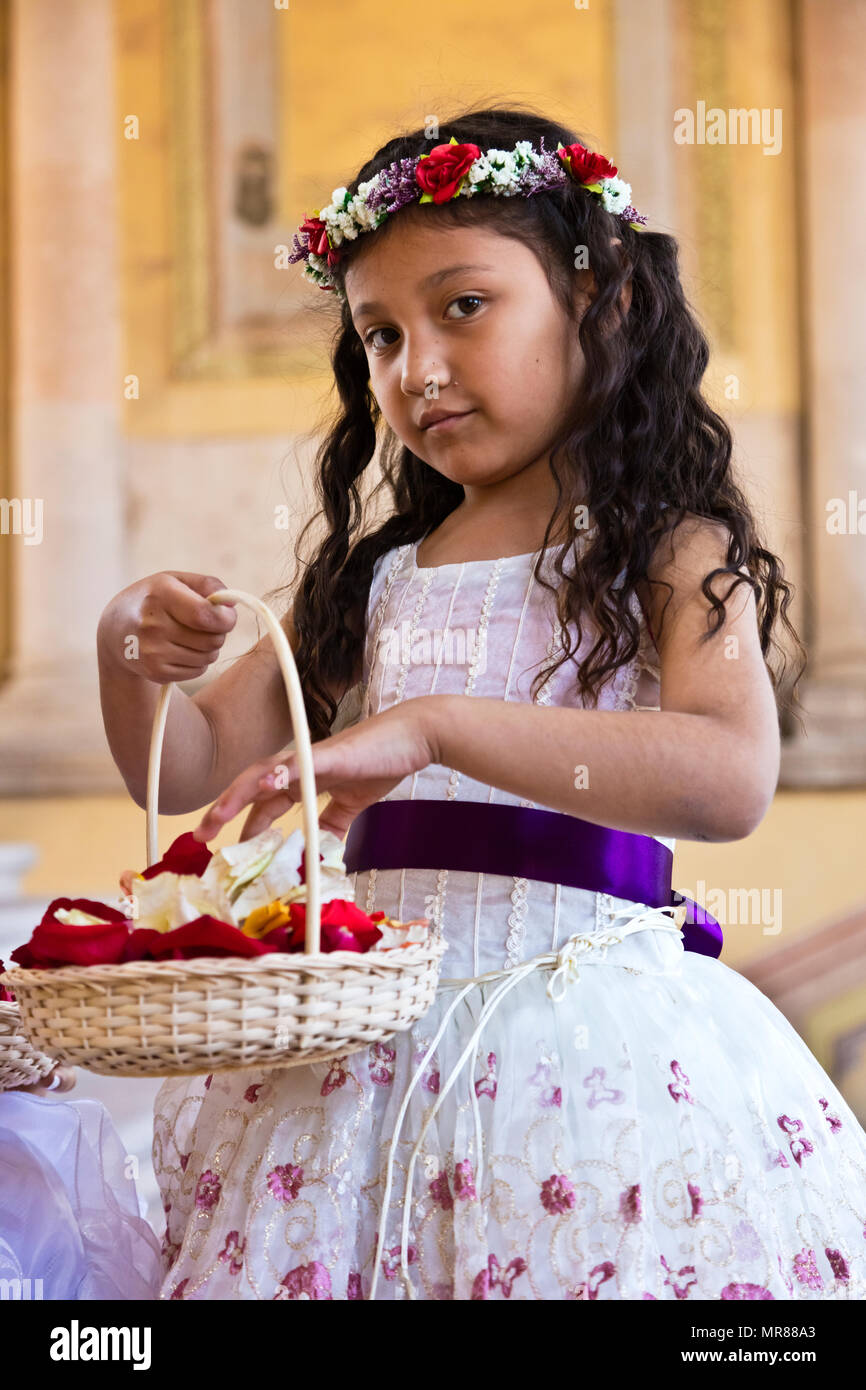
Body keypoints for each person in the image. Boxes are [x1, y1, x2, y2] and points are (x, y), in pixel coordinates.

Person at [97, 105, 865, 1301]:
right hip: (350, 1070)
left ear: (598, 297)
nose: (418, 369)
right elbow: (188, 769)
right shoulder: (372, 579)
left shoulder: (664, 546)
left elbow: (725, 777)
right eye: (380, 335)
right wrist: (129, 649)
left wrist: (434, 726)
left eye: (462, 306)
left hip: (581, 1055)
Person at [0, 967, 163, 1299]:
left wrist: (46, 1074)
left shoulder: (22, 1011)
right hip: (26, 1150)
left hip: (24, 1149)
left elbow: (63, 1072)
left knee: (36, 1244)